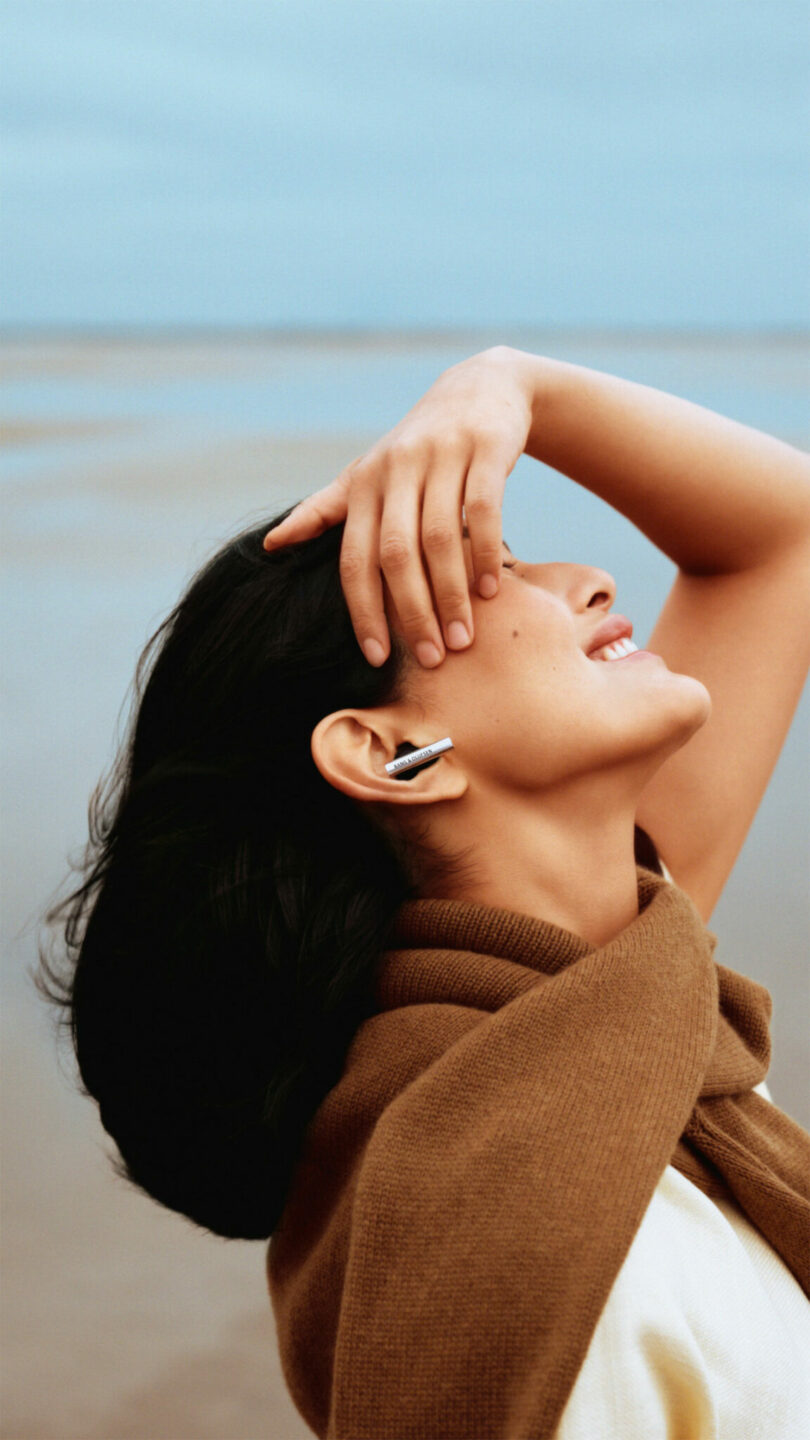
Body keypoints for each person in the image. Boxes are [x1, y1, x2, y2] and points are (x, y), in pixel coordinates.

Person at [39, 346, 810, 1438]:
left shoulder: (629, 972)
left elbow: (778, 535)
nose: (588, 579)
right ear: (392, 752)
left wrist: (514, 386)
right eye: (483, 576)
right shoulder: (490, 1224)